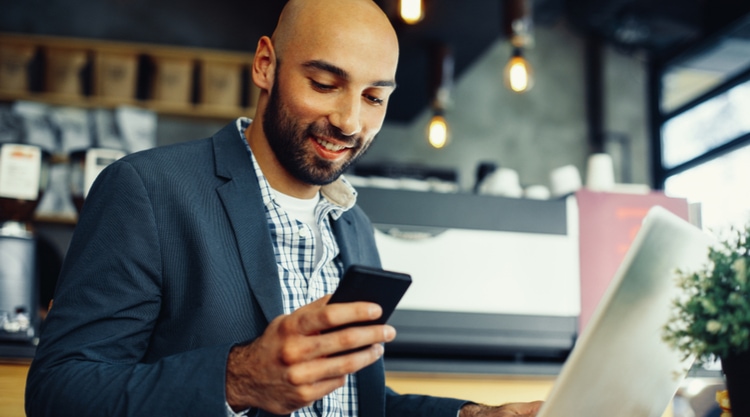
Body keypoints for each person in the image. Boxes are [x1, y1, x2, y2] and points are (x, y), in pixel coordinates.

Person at [25, 1, 544, 416]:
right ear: (265, 65)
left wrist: (472, 416)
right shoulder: (147, 189)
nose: (349, 121)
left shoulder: (353, 226)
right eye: (324, 84)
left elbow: (348, 406)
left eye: (374, 98)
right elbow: (57, 392)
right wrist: (239, 379)